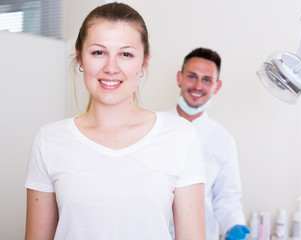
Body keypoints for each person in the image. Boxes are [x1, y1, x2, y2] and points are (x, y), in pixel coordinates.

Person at [24, 3, 206, 240]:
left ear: (143, 62)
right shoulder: (49, 140)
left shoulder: (181, 136)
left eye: (126, 54)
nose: (111, 68)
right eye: (98, 52)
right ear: (79, 57)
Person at [168, 47, 250, 240]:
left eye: (207, 80)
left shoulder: (222, 140)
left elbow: (226, 198)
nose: (198, 86)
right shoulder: (154, 127)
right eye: (192, 76)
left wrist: (234, 225)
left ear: (217, 86)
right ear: (179, 78)